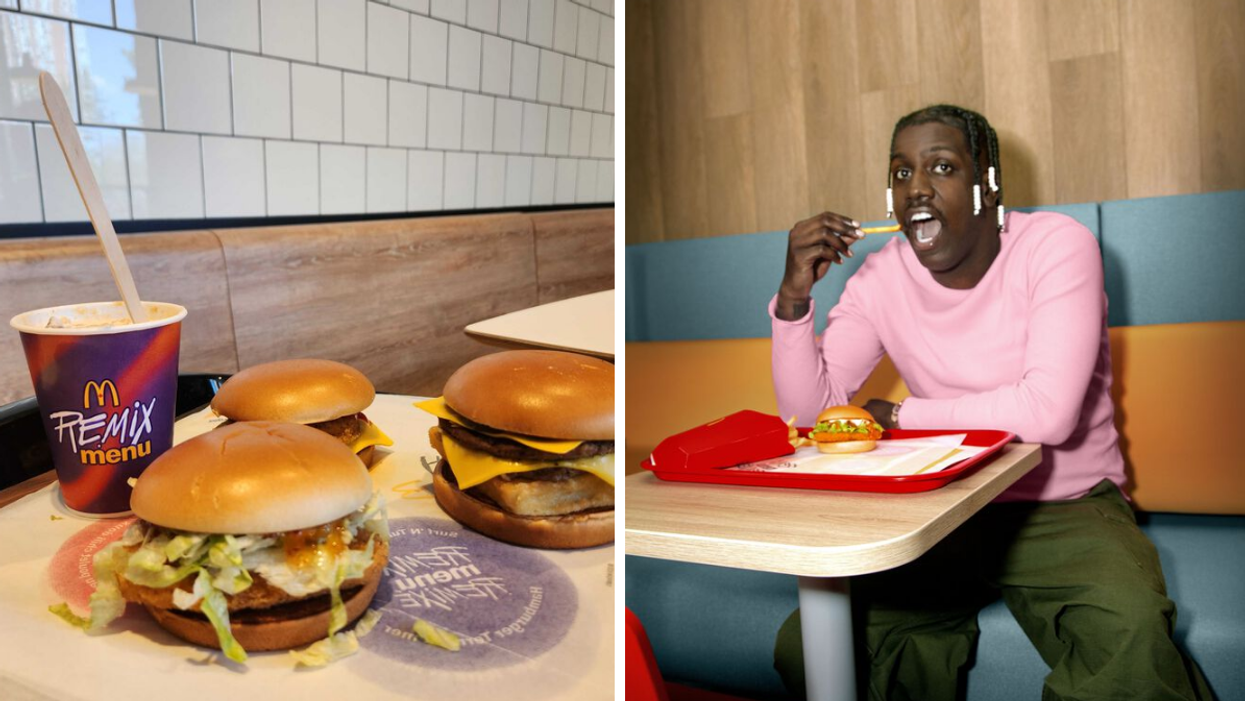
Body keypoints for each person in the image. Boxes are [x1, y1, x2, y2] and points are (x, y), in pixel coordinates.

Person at [769, 105, 1213, 700]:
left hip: (1063, 507)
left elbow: (1047, 413)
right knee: (815, 647)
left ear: (988, 185)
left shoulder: (1056, 246)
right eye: (901, 173)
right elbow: (809, 418)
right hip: (941, 509)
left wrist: (901, 417)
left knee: (1128, 640)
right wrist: (793, 300)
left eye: (941, 167)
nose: (916, 187)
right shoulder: (878, 278)